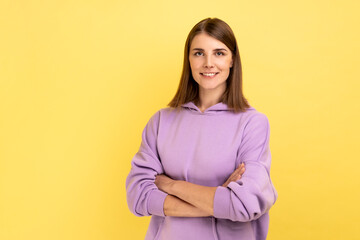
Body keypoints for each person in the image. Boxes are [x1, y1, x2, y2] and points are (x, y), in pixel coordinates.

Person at [125, 17, 278, 240]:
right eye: (199, 53)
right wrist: (219, 197)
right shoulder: (161, 121)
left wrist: (170, 184)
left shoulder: (253, 124)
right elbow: (137, 197)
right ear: (188, 59)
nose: (208, 63)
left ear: (232, 60)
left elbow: (244, 204)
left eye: (219, 53)